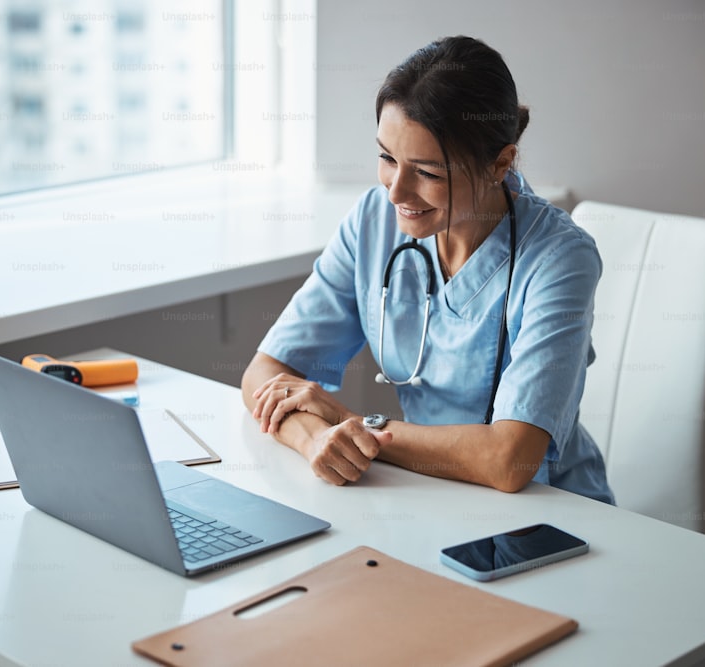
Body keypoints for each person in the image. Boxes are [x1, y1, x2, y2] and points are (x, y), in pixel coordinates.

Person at [241, 35, 614, 504]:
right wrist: (315, 440)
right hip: (429, 493)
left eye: (428, 172)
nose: (396, 192)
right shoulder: (374, 221)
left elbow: (509, 460)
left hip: (549, 516)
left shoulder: (559, 258)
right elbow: (266, 376)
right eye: (386, 158)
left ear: (500, 164)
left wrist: (351, 425)